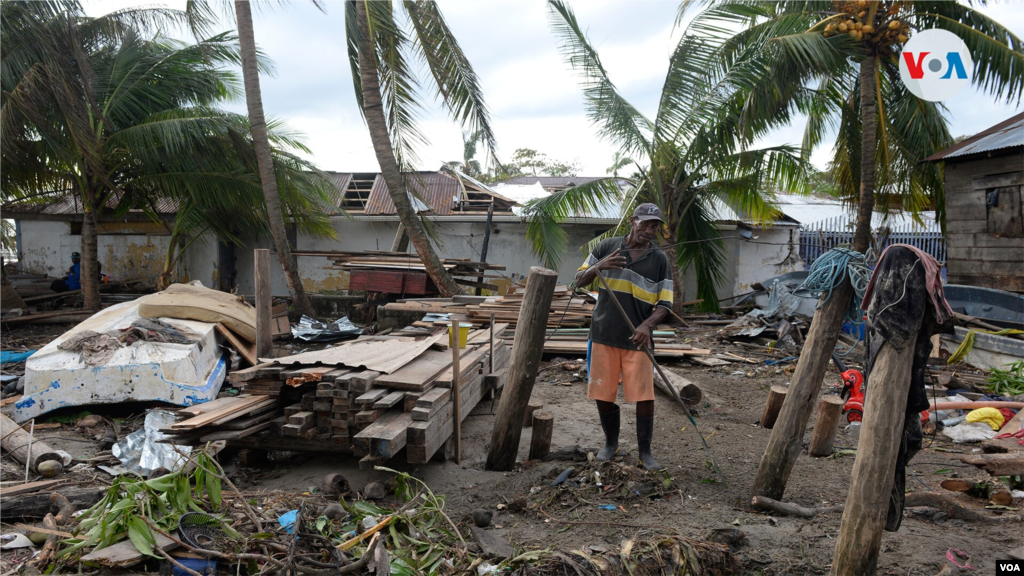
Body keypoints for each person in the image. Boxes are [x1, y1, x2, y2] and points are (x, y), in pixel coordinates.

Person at [575, 203, 672, 470]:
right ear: (633, 221)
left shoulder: (659, 259)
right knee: (603, 393)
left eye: (655, 225)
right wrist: (601, 266)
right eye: (646, 224)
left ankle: (645, 452)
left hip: (637, 338)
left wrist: (647, 326)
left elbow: (666, 303)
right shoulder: (607, 247)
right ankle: (610, 443)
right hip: (604, 333)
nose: (650, 230)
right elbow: (578, 280)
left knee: (644, 395)